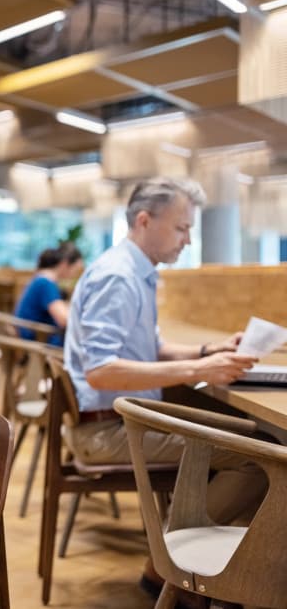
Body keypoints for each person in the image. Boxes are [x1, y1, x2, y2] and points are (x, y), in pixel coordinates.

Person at [64, 177, 265, 537]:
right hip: (106, 431)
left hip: (120, 421)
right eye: (181, 228)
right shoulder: (118, 277)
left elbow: (151, 347)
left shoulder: (136, 272)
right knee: (257, 459)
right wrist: (199, 368)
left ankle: (194, 557)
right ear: (144, 221)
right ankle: (167, 564)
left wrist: (208, 351)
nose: (187, 240)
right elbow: (101, 371)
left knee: (244, 438)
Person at [14, 243, 83, 345]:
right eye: (76, 270)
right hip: (38, 339)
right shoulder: (45, 283)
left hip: (37, 335)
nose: (74, 275)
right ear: (64, 264)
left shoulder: (41, 279)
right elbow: (64, 320)